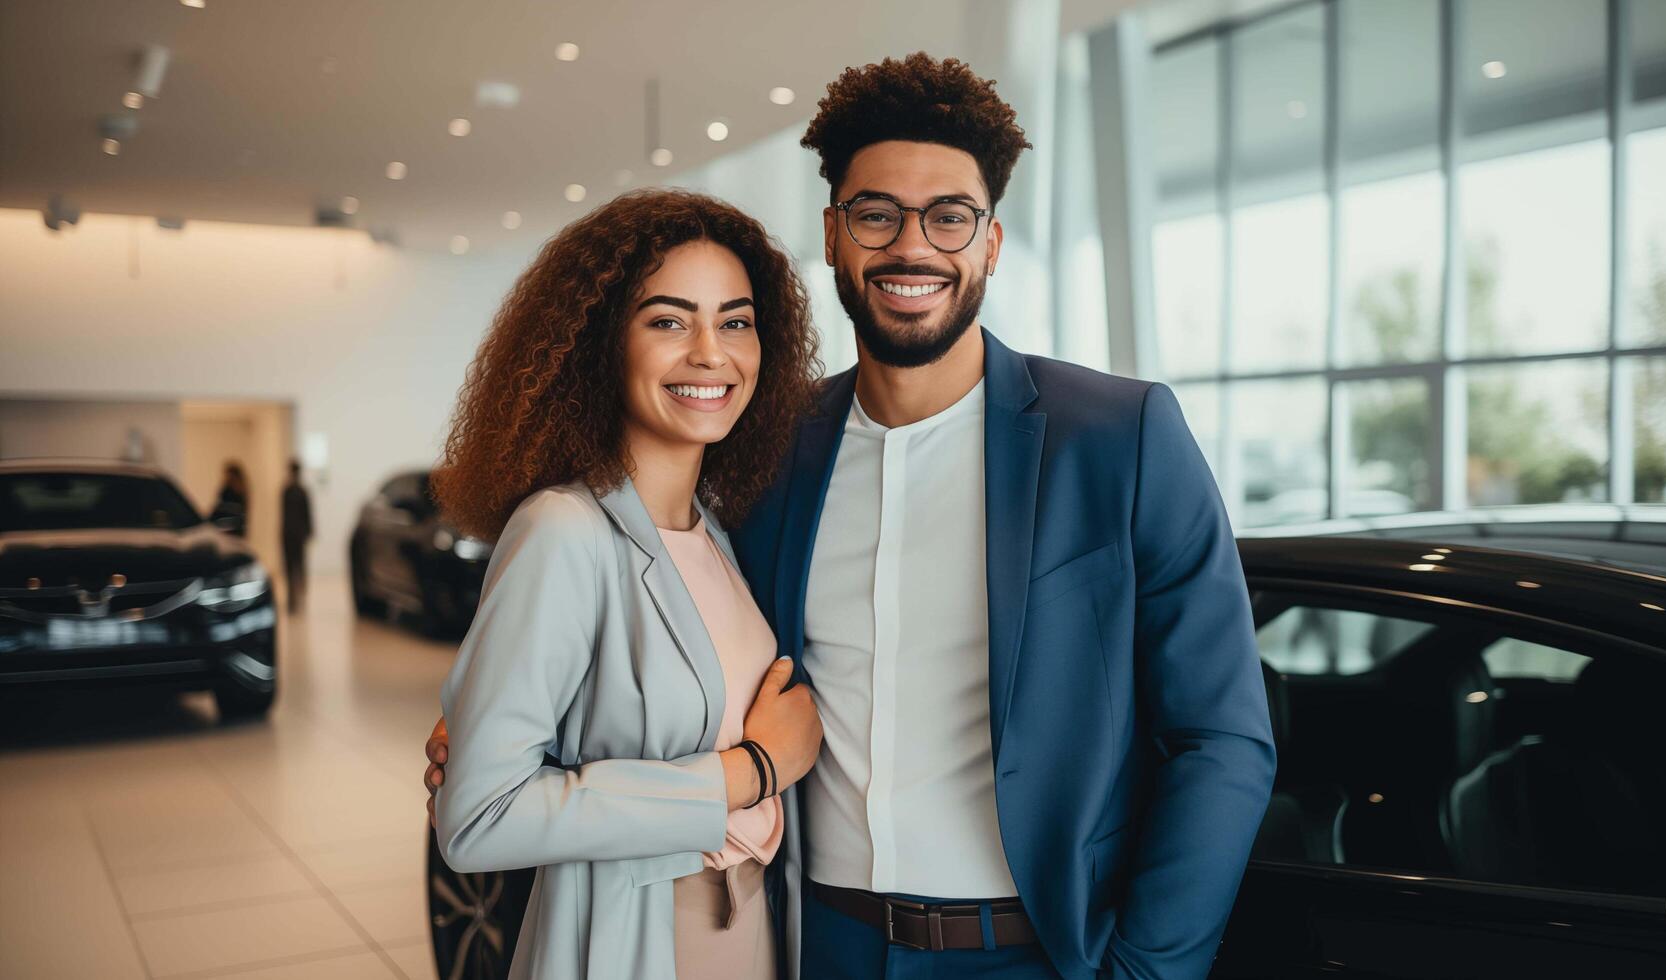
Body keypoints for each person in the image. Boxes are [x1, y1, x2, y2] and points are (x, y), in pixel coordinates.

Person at [429, 54, 1275, 980]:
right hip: (808, 941)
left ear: (989, 241)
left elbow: (1221, 737)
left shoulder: (1118, 437)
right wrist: (487, 734)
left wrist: (1149, 971)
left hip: (1036, 953)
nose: (912, 247)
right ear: (833, 236)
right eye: (876, 214)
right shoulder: (767, 454)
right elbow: (643, 628)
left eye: (949, 216)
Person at [429, 189, 826, 980]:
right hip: (640, 935)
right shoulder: (563, 529)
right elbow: (479, 818)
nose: (711, 353)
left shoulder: (716, 530)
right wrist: (750, 771)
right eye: (669, 321)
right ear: (602, 345)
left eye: (735, 321)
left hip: (753, 923)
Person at [280, 459, 314, 614]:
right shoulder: (291, 491)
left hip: (294, 534)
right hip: (292, 534)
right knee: (293, 567)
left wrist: (309, 531)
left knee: (296, 566)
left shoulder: (295, 491)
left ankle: (297, 597)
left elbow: (307, 514)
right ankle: (293, 598)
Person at [210, 461, 248, 537]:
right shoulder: (239, 492)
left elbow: (223, 509)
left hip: (227, 530)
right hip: (229, 530)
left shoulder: (231, 492)